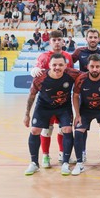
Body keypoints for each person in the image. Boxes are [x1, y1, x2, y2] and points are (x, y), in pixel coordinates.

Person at [23, 53, 81, 176]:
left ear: (66, 65)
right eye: (54, 65)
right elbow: (32, 95)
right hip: (43, 107)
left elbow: (88, 75)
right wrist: (27, 114)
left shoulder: (72, 73)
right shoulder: (40, 78)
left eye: (61, 65)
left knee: (67, 129)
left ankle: (65, 162)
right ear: (49, 65)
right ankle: (34, 163)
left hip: (63, 107)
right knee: (34, 130)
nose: (57, 67)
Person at [30, 30, 74, 168]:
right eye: (54, 40)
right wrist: (34, 70)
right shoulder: (43, 56)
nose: (56, 42)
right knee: (46, 129)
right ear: (50, 42)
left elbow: (71, 75)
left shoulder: (68, 56)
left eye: (59, 39)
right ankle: (45, 156)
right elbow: (38, 73)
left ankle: (62, 153)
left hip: (63, 100)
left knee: (63, 129)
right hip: (47, 101)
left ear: (63, 41)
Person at [72, 54, 100, 176]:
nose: (95, 69)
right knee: (78, 131)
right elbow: (75, 96)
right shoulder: (81, 79)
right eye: (92, 66)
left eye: (97, 66)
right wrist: (77, 115)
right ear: (87, 67)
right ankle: (80, 163)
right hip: (85, 110)